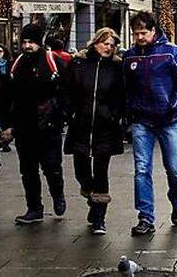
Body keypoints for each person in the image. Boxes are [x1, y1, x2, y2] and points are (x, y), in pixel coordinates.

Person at [124, 11, 177, 236]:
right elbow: (126, 86)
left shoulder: (170, 52)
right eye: (136, 33)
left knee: (174, 169)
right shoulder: (131, 56)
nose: (140, 37)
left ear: (154, 31)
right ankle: (145, 217)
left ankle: (176, 202)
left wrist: (175, 106)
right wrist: (130, 109)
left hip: (167, 120)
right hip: (142, 120)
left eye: (143, 32)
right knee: (142, 169)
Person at [3, 24, 67, 225]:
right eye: (24, 42)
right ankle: (34, 208)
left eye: (31, 42)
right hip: (24, 126)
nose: (27, 46)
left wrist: (57, 114)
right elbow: (10, 97)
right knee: (28, 170)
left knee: (51, 167)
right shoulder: (17, 64)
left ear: (39, 43)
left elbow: (65, 92)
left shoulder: (52, 62)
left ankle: (57, 195)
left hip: (48, 126)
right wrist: (9, 124)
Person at [64, 28, 125, 235]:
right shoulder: (79, 63)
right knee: (81, 170)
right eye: (105, 43)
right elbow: (67, 89)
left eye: (112, 44)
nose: (109, 47)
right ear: (96, 42)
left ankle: (99, 217)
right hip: (80, 124)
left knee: (101, 170)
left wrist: (114, 115)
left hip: (105, 127)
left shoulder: (117, 67)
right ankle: (92, 197)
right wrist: (70, 112)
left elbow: (121, 94)